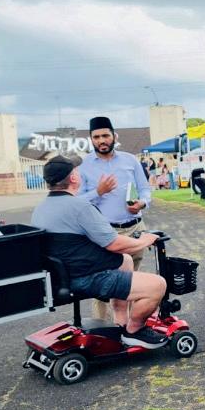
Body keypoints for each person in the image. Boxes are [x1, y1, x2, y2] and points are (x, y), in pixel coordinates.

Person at [32, 155, 168, 347]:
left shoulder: (41, 208)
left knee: (125, 260)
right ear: (73, 178)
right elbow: (114, 243)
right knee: (158, 285)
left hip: (64, 275)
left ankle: (121, 322)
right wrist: (144, 241)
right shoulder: (80, 207)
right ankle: (134, 330)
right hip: (86, 277)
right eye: (76, 170)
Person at [77, 116, 153, 322]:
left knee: (132, 284)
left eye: (105, 135)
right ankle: (101, 332)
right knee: (102, 286)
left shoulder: (130, 160)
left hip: (135, 229)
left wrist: (142, 203)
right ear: (91, 139)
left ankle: (129, 330)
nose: (101, 140)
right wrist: (98, 192)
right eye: (96, 137)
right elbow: (76, 202)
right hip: (104, 233)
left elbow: (145, 189)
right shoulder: (83, 165)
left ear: (114, 136)